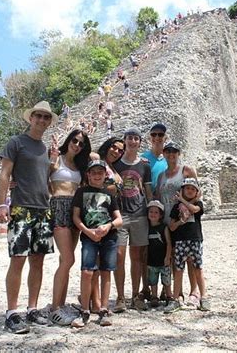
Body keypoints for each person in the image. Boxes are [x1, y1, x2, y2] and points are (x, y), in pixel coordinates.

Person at [0, 100, 58, 334]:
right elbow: (5, 174)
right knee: (18, 259)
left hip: (43, 210)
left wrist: (53, 163)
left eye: (46, 117)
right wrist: (2, 203)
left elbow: (45, 179)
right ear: (31, 118)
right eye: (38, 116)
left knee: (38, 260)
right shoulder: (16, 142)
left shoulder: (44, 149)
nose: (42, 120)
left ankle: (32, 308)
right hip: (21, 207)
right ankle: (12, 312)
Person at [71, 160, 123, 327]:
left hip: (108, 236)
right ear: (88, 174)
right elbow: (76, 217)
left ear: (104, 174)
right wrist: (87, 232)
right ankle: (85, 310)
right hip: (89, 236)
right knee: (87, 271)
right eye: (94, 172)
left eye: (100, 172)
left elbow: (118, 219)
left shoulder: (109, 194)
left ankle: (103, 309)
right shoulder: (81, 192)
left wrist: (108, 227)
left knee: (106, 272)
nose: (97, 175)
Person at [47, 129, 92, 326]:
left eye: (81, 143)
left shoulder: (80, 165)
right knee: (68, 259)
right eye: (75, 140)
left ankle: (61, 303)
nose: (77, 145)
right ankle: (55, 308)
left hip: (75, 209)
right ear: (69, 140)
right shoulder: (57, 158)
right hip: (59, 205)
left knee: (65, 260)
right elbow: (44, 176)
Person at [155, 141, 200, 306]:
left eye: (174, 151)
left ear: (178, 154)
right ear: (164, 154)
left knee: (190, 257)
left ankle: (194, 291)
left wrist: (187, 210)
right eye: (168, 151)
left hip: (186, 220)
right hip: (169, 219)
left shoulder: (187, 170)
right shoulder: (161, 176)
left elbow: (198, 192)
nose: (171, 154)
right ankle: (178, 292)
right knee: (174, 256)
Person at [113, 128, 152, 312]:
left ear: (139, 142)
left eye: (136, 138)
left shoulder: (145, 165)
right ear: (125, 140)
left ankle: (136, 295)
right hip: (120, 215)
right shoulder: (115, 164)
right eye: (129, 138)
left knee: (137, 257)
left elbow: (148, 190)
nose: (132, 141)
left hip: (139, 214)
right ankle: (120, 297)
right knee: (119, 256)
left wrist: (153, 210)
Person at [166, 178, 210, 313]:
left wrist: (182, 200)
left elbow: (195, 210)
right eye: (187, 188)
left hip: (195, 240)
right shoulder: (176, 207)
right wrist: (181, 221)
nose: (189, 191)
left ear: (196, 192)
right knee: (178, 270)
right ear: (182, 190)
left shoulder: (198, 203)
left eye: (192, 189)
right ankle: (175, 299)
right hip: (180, 241)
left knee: (198, 268)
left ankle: (204, 297)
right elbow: (172, 227)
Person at [146, 200, 177, 309]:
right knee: (153, 280)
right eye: (151, 212)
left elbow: (169, 243)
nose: (153, 214)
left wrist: (168, 257)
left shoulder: (164, 227)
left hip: (163, 259)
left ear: (161, 215)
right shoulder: (146, 227)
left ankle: (169, 295)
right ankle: (154, 296)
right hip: (151, 259)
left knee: (166, 279)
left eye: (156, 212)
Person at [141, 123, 168, 194]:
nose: (157, 137)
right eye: (153, 134)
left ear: (165, 138)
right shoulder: (143, 157)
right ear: (149, 138)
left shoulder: (170, 158)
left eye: (160, 135)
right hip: (146, 201)